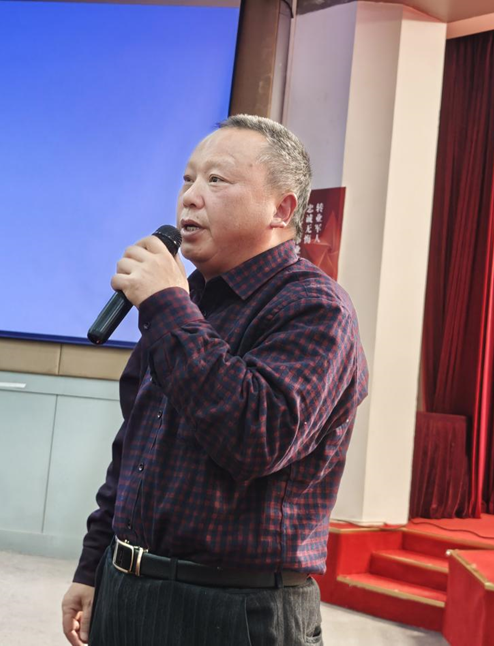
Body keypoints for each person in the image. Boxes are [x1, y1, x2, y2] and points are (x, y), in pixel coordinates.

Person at [62, 115, 368, 646]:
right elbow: (134, 450)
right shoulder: (186, 304)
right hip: (126, 589)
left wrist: (167, 305)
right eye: (187, 179)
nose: (190, 197)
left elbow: (256, 437)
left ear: (281, 209)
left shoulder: (315, 307)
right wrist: (93, 567)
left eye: (216, 180)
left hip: (236, 612)